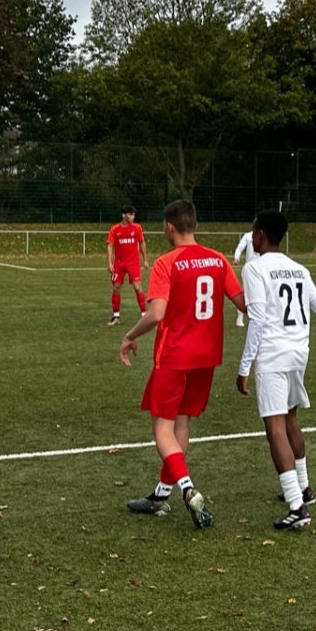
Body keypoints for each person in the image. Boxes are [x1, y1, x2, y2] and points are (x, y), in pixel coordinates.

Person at [119, 201, 246, 525]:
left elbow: (156, 314)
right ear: (195, 225)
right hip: (207, 357)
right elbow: (243, 303)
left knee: (162, 427)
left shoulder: (166, 262)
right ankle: (160, 496)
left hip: (175, 355)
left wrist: (129, 336)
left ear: (169, 227)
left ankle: (188, 490)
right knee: (181, 424)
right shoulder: (218, 259)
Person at [237, 211, 316, 531]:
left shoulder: (254, 268)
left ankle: (296, 506)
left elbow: (257, 320)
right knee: (290, 418)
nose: (252, 237)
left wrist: (244, 366)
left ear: (261, 235)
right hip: (298, 354)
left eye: (254, 232)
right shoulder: (300, 270)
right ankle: (303, 488)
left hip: (273, 356)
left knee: (275, 428)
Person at [106, 205, 148, 326]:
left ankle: (144, 315)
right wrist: (109, 262)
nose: (132, 217)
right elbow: (110, 245)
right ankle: (116, 316)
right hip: (119, 263)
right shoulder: (115, 229)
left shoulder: (137, 228)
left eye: (133, 214)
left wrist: (145, 260)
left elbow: (142, 243)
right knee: (116, 288)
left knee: (137, 287)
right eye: (130, 214)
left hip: (133, 262)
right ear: (123, 215)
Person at [232, 225, 256, 323]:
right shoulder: (248, 236)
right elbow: (240, 247)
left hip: (262, 268)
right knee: (245, 293)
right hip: (249, 269)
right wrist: (236, 257)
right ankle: (239, 317)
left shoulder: (266, 236)